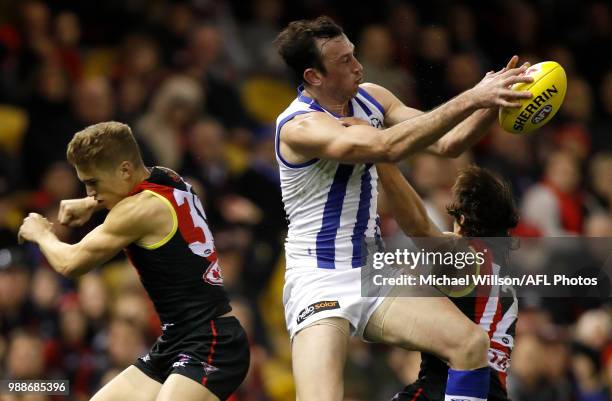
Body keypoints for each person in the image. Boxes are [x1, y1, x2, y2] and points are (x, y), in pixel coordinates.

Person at [273, 16, 532, 401]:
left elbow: (450, 144)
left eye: (354, 54)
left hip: (372, 273)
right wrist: (473, 96)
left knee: (469, 344)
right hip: (317, 279)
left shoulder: (372, 97)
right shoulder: (299, 127)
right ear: (313, 75)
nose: (358, 66)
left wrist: (496, 101)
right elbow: (387, 148)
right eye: (344, 61)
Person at [18, 121, 250, 401]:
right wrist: (91, 203)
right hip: (177, 342)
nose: (90, 191)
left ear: (125, 169)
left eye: (93, 183)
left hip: (212, 343)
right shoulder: (167, 176)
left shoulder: (136, 211)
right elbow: (136, 191)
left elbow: (70, 263)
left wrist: (41, 234)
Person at [376, 162, 519, 401]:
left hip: (450, 386)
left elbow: (417, 226)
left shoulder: (465, 256)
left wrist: (381, 157)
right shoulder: (504, 279)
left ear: (461, 219)